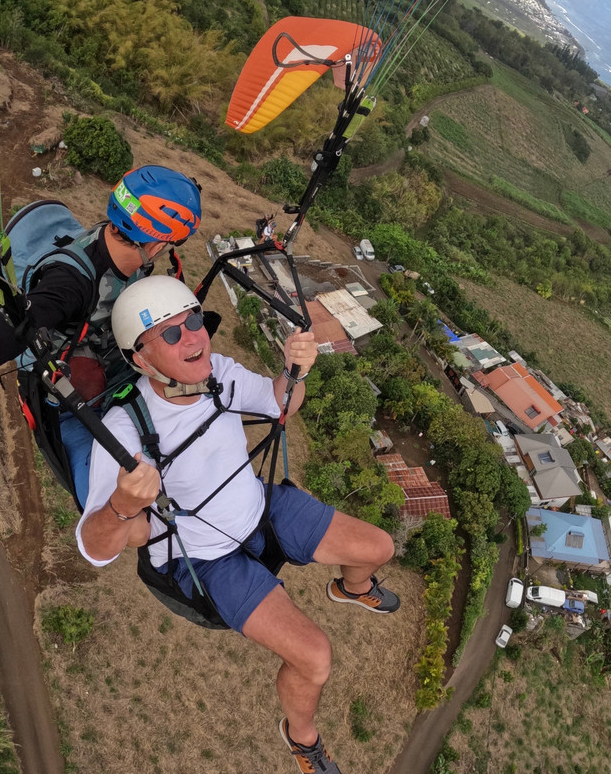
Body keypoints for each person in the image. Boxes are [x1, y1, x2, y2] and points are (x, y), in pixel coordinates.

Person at [76, 275, 398, 774]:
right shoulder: (125, 430)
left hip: (258, 507)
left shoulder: (219, 372)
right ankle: (302, 739)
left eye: (194, 321)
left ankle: (352, 589)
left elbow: (281, 403)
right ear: (139, 359)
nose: (194, 337)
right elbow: (94, 548)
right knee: (314, 657)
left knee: (379, 548)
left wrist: (296, 372)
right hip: (204, 558)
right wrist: (122, 502)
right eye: (172, 333)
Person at [0, 165, 203, 504]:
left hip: (117, 372)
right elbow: (21, 321)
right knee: (103, 500)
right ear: (160, 244)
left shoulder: (119, 245)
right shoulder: (73, 283)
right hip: (66, 398)